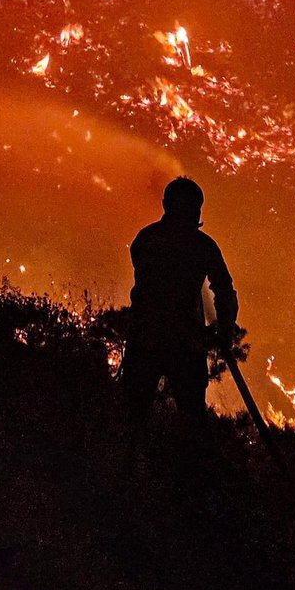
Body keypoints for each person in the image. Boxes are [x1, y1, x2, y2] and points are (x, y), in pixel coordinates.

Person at [122, 176, 239, 435]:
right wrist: (225, 329)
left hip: (146, 338)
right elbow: (224, 289)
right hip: (184, 343)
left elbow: (144, 283)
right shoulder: (202, 246)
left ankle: (128, 464)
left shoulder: (147, 239)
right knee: (191, 419)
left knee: (132, 413)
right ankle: (183, 468)